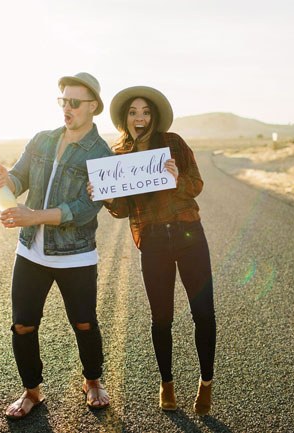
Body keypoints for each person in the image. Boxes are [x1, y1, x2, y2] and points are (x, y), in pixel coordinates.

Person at [0, 72, 113, 420]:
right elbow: (18, 178)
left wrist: (35, 216)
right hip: (30, 252)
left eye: (74, 103)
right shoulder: (41, 140)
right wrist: (3, 180)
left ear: (92, 107)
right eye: (63, 101)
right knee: (23, 325)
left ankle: (93, 381)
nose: (66, 109)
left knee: (84, 323)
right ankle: (32, 391)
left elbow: (86, 210)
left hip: (76, 255)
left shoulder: (102, 154)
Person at [89, 86, 217, 415]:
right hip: (153, 240)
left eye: (145, 112)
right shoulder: (119, 158)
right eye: (133, 112)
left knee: (203, 313)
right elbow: (119, 209)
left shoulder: (173, 143)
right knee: (161, 318)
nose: (140, 117)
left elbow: (197, 184)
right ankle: (167, 383)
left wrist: (177, 179)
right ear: (125, 119)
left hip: (190, 234)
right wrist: (102, 193)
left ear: (153, 116)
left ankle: (206, 384)